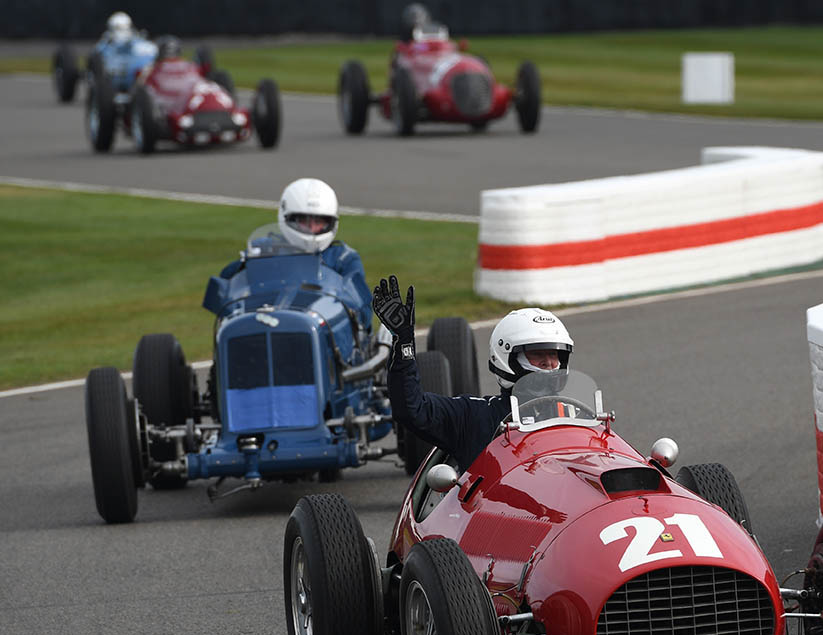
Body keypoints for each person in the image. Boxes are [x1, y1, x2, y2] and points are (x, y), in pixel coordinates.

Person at [373, 274, 574, 472]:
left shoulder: (575, 417)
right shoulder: (473, 417)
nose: (549, 363)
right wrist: (404, 343)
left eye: (555, 355)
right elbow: (412, 409)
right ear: (507, 359)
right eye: (538, 355)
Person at [219, 178, 373, 331]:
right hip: (268, 326)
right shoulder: (266, 251)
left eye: (319, 222)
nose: (312, 228)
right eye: (304, 221)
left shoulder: (342, 258)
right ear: (288, 218)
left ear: (331, 223)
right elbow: (226, 287)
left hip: (322, 335)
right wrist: (248, 261)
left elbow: (363, 312)